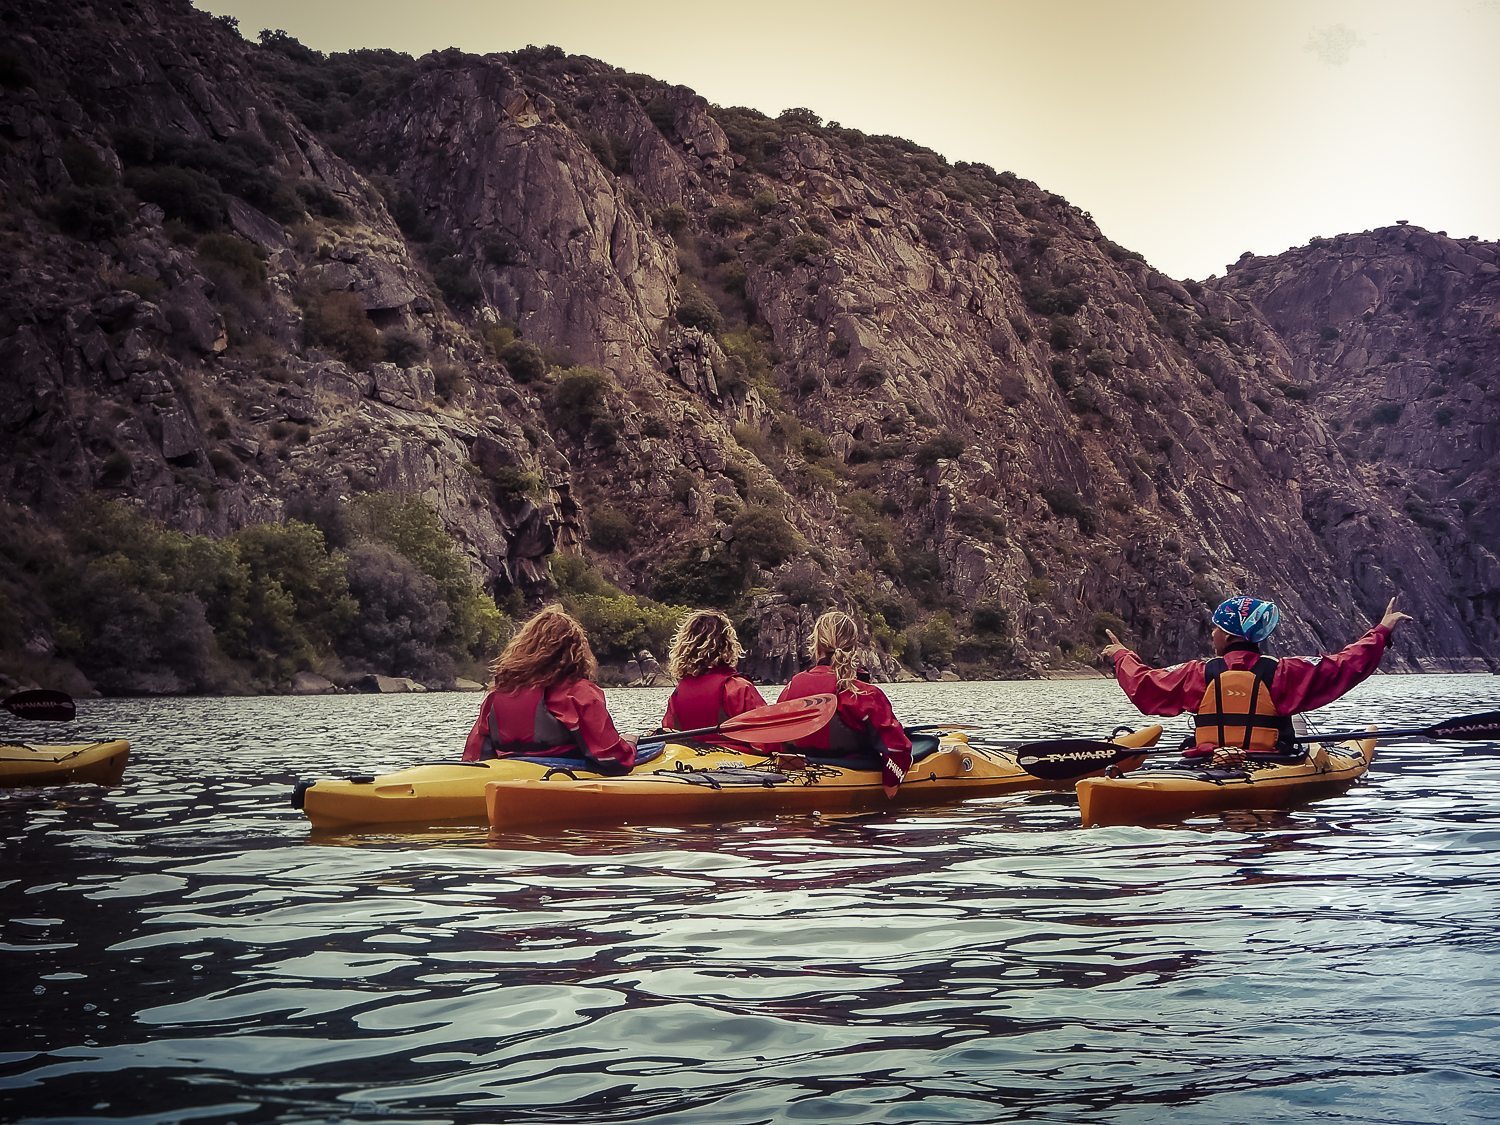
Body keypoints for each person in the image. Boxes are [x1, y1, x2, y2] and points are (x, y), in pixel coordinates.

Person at [1100, 595, 1413, 757]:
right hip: (1273, 762)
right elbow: (1344, 665)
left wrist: (1120, 655)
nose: (1212, 635)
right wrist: (1380, 632)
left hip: (1209, 761)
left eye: (1215, 629)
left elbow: (1145, 686)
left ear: (1225, 634)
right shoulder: (1284, 672)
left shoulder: (1198, 673)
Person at [463, 605, 637, 773]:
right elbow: (614, 760)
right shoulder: (578, 694)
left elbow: (473, 757)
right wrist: (630, 744)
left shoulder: (497, 695)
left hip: (510, 776)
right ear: (576, 651)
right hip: (562, 777)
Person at [777, 610, 912, 797]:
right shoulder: (865, 694)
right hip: (851, 774)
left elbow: (775, 741)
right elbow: (898, 748)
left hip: (799, 774)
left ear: (816, 646)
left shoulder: (790, 689)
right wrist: (890, 790)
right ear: (853, 648)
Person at [661, 610, 766, 731]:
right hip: (732, 748)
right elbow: (766, 739)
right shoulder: (738, 689)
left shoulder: (677, 694)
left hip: (689, 748)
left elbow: (667, 730)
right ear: (727, 645)